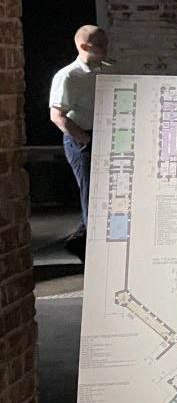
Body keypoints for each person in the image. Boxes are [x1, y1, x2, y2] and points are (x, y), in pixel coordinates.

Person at [49, 25, 110, 260]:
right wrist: (87, 141)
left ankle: (78, 241)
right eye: (100, 45)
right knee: (92, 197)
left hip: (104, 136)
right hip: (82, 140)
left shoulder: (105, 71)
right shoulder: (68, 76)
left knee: (104, 196)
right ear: (84, 46)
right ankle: (92, 256)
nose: (106, 48)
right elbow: (58, 116)